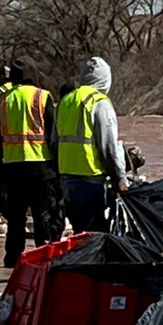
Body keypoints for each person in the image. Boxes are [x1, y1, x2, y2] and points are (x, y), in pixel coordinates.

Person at [0, 59, 60, 268]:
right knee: (43, 215)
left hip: (12, 166)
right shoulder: (42, 97)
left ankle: (12, 260)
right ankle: (43, 259)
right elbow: (53, 135)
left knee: (15, 218)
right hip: (41, 165)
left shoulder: (2, 100)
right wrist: (57, 168)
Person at [55, 57, 127, 233]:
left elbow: (53, 141)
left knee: (79, 232)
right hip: (90, 177)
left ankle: (81, 260)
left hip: (66, 177)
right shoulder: (100, 103)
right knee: (94, 235)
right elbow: (108, 147)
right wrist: (120, 178)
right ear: (105, 80)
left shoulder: (66, 101)